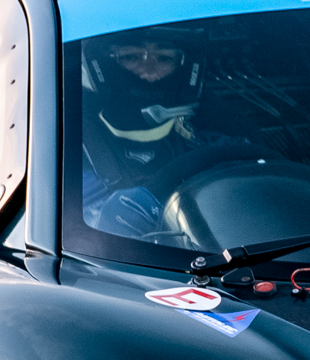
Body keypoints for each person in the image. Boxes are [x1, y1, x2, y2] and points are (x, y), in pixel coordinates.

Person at [79, 31, 211, 240]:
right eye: (131, 57)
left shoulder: (208, 139)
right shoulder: (65, 143)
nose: (149, 73)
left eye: (165, 59)